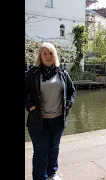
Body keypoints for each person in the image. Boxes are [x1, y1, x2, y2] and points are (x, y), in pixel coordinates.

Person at [25, 42, 76, 180]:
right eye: (45, 53)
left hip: (58, 120)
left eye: (51, 53)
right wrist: (30, 106)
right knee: (41, 152)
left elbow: (72, 91)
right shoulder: (32, 74)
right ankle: (40, 178)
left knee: (54, 149)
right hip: (38, 121)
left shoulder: (62, 73)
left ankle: (52, 174)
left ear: (55, 55)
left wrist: (68, 104)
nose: (48, 56)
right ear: (40, 56)